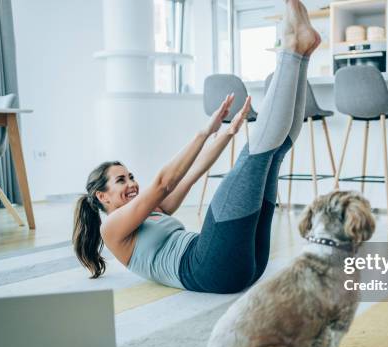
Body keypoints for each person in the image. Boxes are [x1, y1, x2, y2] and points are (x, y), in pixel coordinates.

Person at [72, 0, 321, 294]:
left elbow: (195, 172)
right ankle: (291, 48)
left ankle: (301, 53)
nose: (132, 183)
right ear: (102, 196)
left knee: (273, 154)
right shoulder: (111, 228)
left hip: (243, 265)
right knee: (257, 155)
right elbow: (164, 182)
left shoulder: (155, 210)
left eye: (130, 176)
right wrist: (203, 133)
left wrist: (227, 133)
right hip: (209, 269)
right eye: (121, 180)